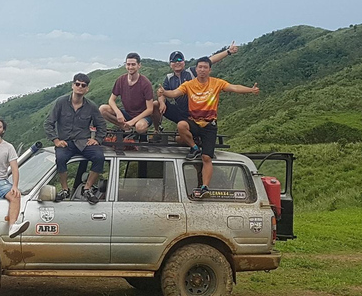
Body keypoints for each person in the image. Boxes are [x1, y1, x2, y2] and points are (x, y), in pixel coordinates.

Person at [159, 56, 259, 197]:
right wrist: (164, 93)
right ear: (196, 69)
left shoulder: (216, 83)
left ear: (209, 70)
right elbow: (174, 93)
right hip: (193, 121)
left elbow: (234, 87)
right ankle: (194, 148)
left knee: (206, 158)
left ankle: (205, 187)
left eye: (205, 67)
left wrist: (250, 90)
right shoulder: (189, 84)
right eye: (200, 67)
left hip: (210, 125)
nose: (202, 70)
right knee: (181, 125)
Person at [44, 73, 107, 204]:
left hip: (84, 143)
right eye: (77, 84)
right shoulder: (61, 102)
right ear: (72, 85)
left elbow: (101, 124)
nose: (80, 87)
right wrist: (55, 140)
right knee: (60, 159)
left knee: (99, 157)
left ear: (87, 89)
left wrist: (97, 140)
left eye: (83, 85)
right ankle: (65, 189)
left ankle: (87, 189)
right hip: (65, 143)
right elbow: (48, 123)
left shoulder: (91, 106)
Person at [152, 42, 239, 129]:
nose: (177, 63)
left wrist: (228, 52)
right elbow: (163, 93)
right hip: (179, 110)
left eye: (179, 60)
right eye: (174, 61)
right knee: (156, 104)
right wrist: (162, 102)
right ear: (170, 64)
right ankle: (157, 131)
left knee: (182, 137)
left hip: (194, 112)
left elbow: (210, 60)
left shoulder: (192, 72)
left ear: (184, 62)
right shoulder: (169, 78)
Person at [99, 53, 154, 134]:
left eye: (133, 64)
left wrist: (133, 121)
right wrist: (118, 112)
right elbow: (111, 100)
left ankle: (136, 131)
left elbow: (150, 109)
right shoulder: (121, 80)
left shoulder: (145, 83)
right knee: (102, 109)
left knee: (140, 127)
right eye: (128, 64)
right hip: (127, 113)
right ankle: (125, 128)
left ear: (139, 65)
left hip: (142, 116)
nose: (130, 67)